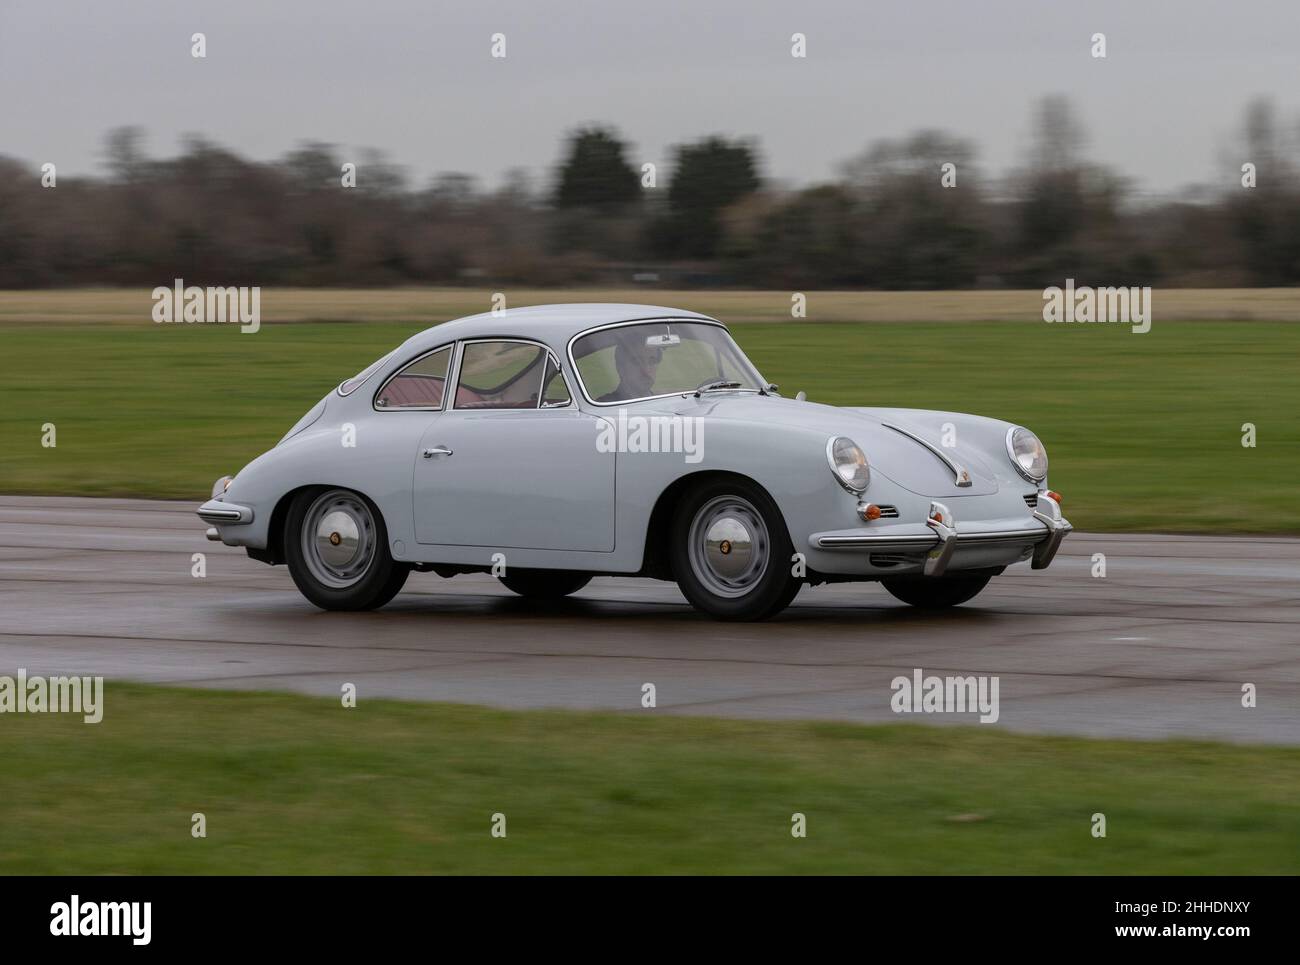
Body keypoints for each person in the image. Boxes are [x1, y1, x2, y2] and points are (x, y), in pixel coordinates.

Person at [597, 338, 662, 402]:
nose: (646, 370)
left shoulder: (661, 402)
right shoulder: (603, 407)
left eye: (652, 362)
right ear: (620, 367)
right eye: (637, 362)